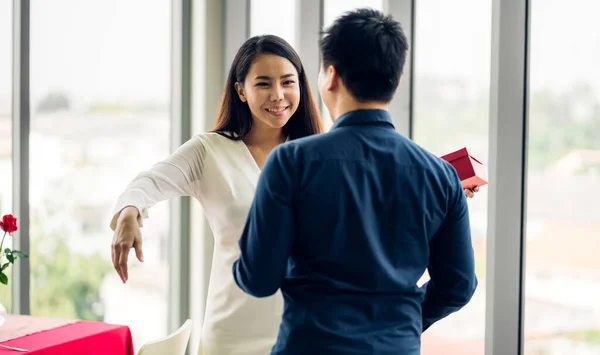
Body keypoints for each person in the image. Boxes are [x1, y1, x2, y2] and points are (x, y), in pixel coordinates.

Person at [232, 9, 478, 355]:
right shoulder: (440, 175)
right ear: (396, 79)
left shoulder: (291, 162)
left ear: (330, 76)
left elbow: (258, 279)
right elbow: (459, 286)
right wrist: (400, 320)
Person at [110, 34, 323, 355]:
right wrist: (129, 210)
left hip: (305, 332)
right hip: (231, 335)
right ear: (240, 90)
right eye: (263, 83)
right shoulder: (210, 151)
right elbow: (147, 183)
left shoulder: (319, 155)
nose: (278, 95)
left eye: (287, 82)